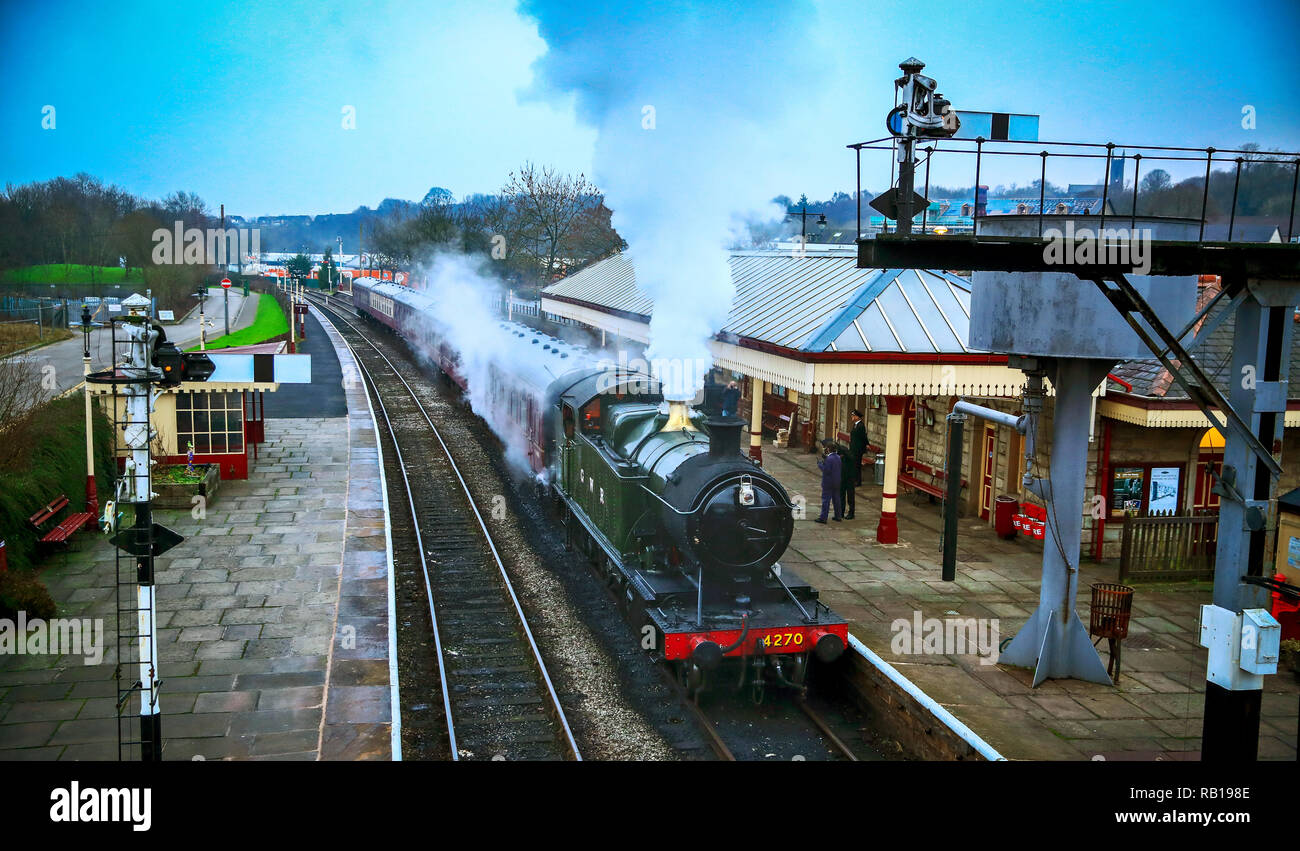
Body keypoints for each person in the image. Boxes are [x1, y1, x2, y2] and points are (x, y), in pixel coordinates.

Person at [845, 409, 868, 519]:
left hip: (858, 450)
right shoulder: (855, 425)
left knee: (857, 466)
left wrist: (865, 446)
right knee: (854, 465)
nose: (852, 417)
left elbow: (863, 438)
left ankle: (858, 481)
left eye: (853, 416)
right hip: (853, 448)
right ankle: (855, 479)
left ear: (858, 417)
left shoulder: (861, 426)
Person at [815, 439, 843, 524]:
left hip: (828, 482)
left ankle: (823, 518)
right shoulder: (838, 457)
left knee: (825, 500)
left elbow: (826, 470)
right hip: (837, 481)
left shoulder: (829, 459)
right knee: (836, 499)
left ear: (829, 449)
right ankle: (838, 516)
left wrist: (820, 464)